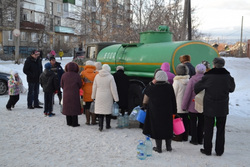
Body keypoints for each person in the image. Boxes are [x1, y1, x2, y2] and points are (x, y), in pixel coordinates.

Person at [194, 57, 235, 156]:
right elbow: (231, 89)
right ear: (223, 65)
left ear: (214, 64)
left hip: (209, 106)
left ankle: (207, 150)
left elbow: (197, 87)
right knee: (221, 129)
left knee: (208, 129)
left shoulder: (208, 76)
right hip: (222, 106)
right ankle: (219, 151)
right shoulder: (228, 76)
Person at [142, 71, 177, 153]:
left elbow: (145, 92)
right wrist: (174, 111)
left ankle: (159, 148)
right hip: (167, 111)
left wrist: (151, 83)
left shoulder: (152, 88)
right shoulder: (169, 87)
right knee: (168, 128)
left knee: (157, 129)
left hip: (155, 112)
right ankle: (169, 147)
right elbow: (173, 100)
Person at [182, 64, 206, 145]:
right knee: (201, 122)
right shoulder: (207, 80)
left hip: (193, 105)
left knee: (192, 122)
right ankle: (200, 139)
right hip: (203, 105)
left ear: (196, 70)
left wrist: (184, 106)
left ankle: (194, 139)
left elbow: (187, 94)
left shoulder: (192, 80)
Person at [91, 64, 119, 131]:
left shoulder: (97, 76)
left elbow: (94, 87)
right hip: (108, 96)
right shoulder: (110, 77)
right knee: (107, 111)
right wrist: (116, 98)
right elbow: (113, 89)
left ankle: (100, 126)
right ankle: (108, 125)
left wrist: (93, 96)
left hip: (99, 95)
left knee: (100, 112)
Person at [61, 62, 82, 127]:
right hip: (74, 93)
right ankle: (74, 123)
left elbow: (61, 85)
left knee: (68, 107)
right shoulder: (77, 75)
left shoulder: (64, 75)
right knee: (74, 107)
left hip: (66, 93)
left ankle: (69, 122)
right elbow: (80, 85)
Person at [172, 64, 190, 141]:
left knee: (178, 121)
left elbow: (174, 94)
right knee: (186, 120)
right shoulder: (189, 80)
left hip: (178, 105)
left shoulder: (176, 81)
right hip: (187, 105)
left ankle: (179, 136)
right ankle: (185, 136)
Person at [80, 60, 98, 125]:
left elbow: (81, 83)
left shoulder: (83, 73)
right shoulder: (96, 73)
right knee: (93, 106)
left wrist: (83, 88)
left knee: (87, 106)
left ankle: (87, 121)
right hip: (94, 91)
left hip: (86, 91)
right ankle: (93, 121)